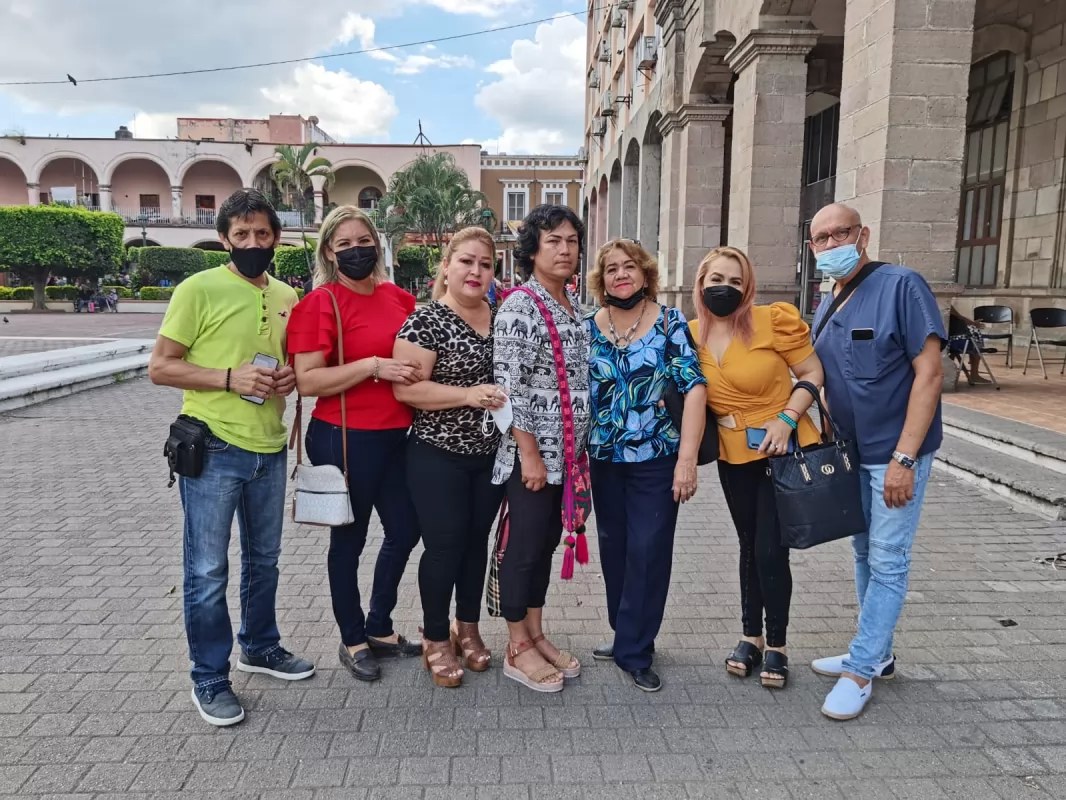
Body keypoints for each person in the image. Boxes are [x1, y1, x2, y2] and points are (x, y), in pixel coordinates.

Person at [148, 189, 315, 728]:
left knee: (264, 561)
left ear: (276, 238)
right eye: (240, 235)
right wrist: (227, 378)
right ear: (224, 239)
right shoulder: (199, 289)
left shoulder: (289, 295)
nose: (252, 243)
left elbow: (287, 366)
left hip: (268, 447)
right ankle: (210, 675)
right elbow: (161, 366)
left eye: (261, 234)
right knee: (207, 569)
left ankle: (260, 646)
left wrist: (288, 378)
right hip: (215, 446)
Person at [807, 202, 946, 720]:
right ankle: (877, 651)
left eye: (839, 233)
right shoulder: (831, 298)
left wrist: (905, 459)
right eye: (820, 238)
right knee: (865, 554)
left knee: (889, 560)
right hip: (852, 453)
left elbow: (929, 375)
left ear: (862, 234)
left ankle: (861, 670)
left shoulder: (903, 286)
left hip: (894, 453)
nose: (830, 244)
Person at [287, 205, 424, 684]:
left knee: (406, 530)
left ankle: (380, 625)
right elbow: (308, 380)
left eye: (363, 240)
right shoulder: (320, 303)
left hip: (395, 435)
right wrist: (372, 366)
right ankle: (353, 638)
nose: (355, 250)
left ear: (377, 244)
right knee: (350, 539)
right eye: (343, 244)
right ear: (329, 251)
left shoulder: (399, 299)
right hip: (343, 437)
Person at [691, 246, 824, 690]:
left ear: (746, 288)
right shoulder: (690, 334)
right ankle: (751, 635)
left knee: (771, 548)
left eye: (734, 282)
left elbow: (811, 372)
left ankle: (779, 645)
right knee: (749, 544)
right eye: (716, 280)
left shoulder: (773, 321)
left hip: (782, 450)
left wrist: (787, 419)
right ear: (701, 283)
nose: (724, 288)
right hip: (734, 455)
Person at [585, 239, 707, 692]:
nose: (621, 274)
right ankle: (625, 632)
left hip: (657, 458)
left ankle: (636, 649)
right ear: (601, 279)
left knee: (648, 549)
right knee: (615, 548)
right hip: (604, 458)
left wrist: (687, 460)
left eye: (629, 266)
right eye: (612, 268)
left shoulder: (671, 323)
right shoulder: (588, 327)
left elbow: (694, 388)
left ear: (645, 273)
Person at [393, 226, 506, 688]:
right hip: (437, 455)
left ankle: (469, 627)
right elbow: (407, 389)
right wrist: (467, 395)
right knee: (444, 546)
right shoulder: (425, 321)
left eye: (485, 264)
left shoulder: (500, 317)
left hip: (489, 456)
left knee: (476, 544)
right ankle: (436, 637)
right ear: (447, 266)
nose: (475, 271)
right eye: (466, 261)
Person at [492, 204, 589, 693]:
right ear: (533, 249)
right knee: (524, 550)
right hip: (534, 458)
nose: (565, 249)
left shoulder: (572, 306)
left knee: (546, 546)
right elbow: (507, 391)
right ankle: (515, 646)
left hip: (567, 458)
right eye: (553, 240)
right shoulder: (520, 307)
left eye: (571, 240)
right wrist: (529, 454)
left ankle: (536, 633)